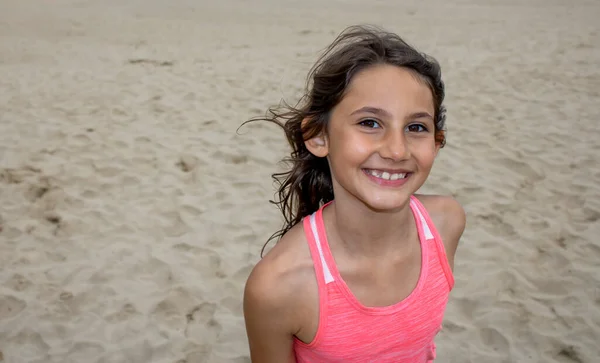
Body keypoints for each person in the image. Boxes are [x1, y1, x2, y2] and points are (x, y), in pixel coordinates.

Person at [241, 24, 466, 363]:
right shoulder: (279, 286)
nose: (396, 150)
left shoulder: (445, 224)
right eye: (370, 123)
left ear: (437, 141)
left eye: (416, 127)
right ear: (319, 136)